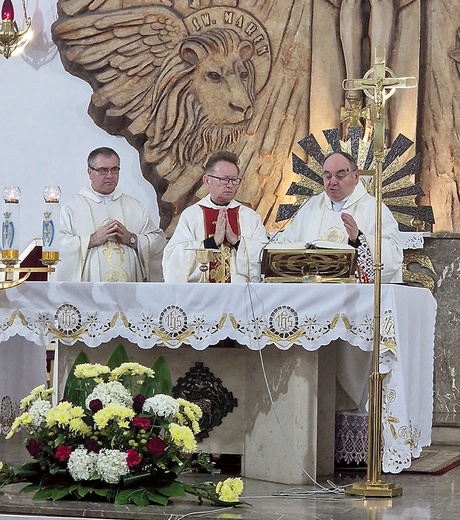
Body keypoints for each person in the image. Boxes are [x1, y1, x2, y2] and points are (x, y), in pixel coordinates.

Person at [280, 150, 403, 283]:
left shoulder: (374, 208)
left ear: (355, 176)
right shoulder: (310, 206)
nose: (332, 182)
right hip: (311, 289)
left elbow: (394, 255)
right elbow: (286, 245)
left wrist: (359, 238)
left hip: (354, 295)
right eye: (327, 176)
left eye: (340, 176)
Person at [54, 147, 166, 282]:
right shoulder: (72, 208)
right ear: (90, 172)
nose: (110, 176)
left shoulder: (134, 207)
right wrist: (91, 240)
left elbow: (158, 241)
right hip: (89, 294)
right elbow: (56, 245)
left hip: (130, 291)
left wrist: (132, 239)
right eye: (103, 170)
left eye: (115, 169)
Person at [163, 151, 268, 283]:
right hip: (202, 296)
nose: (230, 185)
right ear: (207, 181)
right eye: (224, 179)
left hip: (241, 295)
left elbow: (265, 259)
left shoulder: (250, 217)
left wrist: (236, 241)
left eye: (234, 180)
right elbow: (173, 258)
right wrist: (212, 242)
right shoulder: (192, 215)